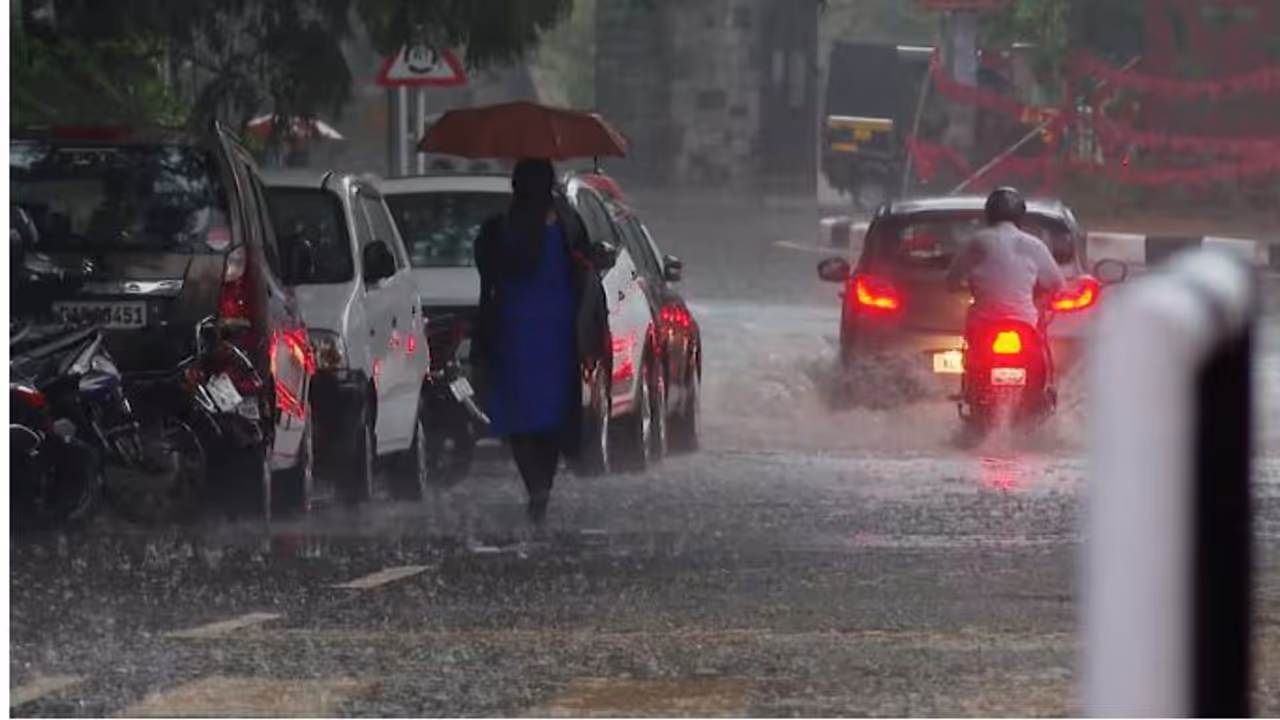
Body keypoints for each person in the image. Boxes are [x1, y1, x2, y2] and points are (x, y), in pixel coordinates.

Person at [472, 158, 609, 524]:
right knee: (549, 419)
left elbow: (487, 276)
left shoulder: (499, 229)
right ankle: (542, 490)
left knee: (521, 419)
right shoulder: (565, 226)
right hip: (556, 336)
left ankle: (535, 486)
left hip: (514, 335)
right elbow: (586, 269)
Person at [945, 186, 1066, 330]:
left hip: (983, 323)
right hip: (1025, 323)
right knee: (1040, 348)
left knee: (972, 350)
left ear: (989, 212)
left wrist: (967, 286)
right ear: (1021, 215)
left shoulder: (977, 241)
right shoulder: (1035, 245)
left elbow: (952, 280)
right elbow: (1058, 285)